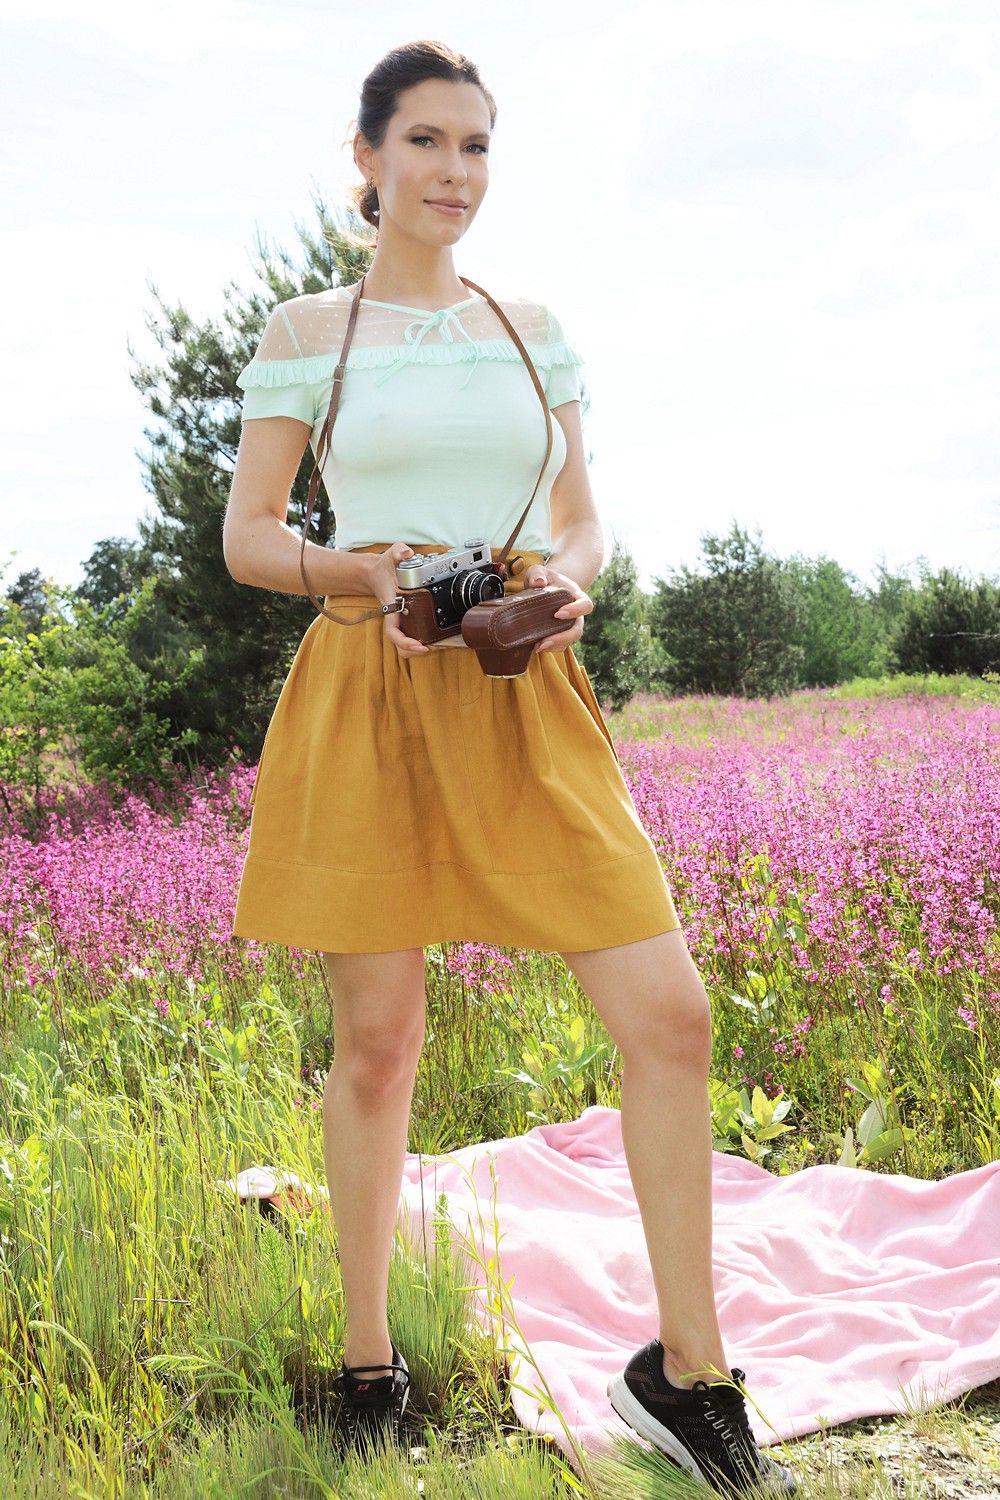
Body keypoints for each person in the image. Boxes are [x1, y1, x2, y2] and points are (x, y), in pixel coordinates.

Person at [223, 38, 797, 1496]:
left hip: (524, 684)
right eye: (425, 141)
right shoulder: (309, 329)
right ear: (367, 158)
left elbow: (585, 516)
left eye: (476, 146)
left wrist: (572, 585)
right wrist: (361, 575)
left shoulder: (532, 329)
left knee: (670, 1018)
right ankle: (367, 1366)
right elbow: (249, 538)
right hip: (373, 687)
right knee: (378, 1042)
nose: (454, 172)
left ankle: (689, 1374)